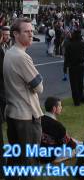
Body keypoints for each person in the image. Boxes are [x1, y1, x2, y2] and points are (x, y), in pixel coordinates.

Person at [4, 18, 44, 169]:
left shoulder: (9, 53)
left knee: (15, 160)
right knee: (29, 162)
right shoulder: (22, 57)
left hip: (13, 113)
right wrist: (37, 79)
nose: (31, 34)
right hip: (26, 116)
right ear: (15, 34)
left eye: (32, 31)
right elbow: (39, 87)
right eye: (26, 31)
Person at [39, 97, 77, 164]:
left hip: (39, 154)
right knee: (80, 148)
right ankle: (57, 159)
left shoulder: (39, 119)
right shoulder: (57, 125)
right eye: (60, 106)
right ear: (54, 109)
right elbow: (70, 144)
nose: (61, 107)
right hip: (51, 156)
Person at [62, 30, 84, 106]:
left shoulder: (69, 45)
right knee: (80, 83)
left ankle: (76, 101)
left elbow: (66, 58)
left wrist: (65, 68)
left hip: (72, 67)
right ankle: (80, 97)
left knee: (74, 85)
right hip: (81, 66)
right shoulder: (83, 45)